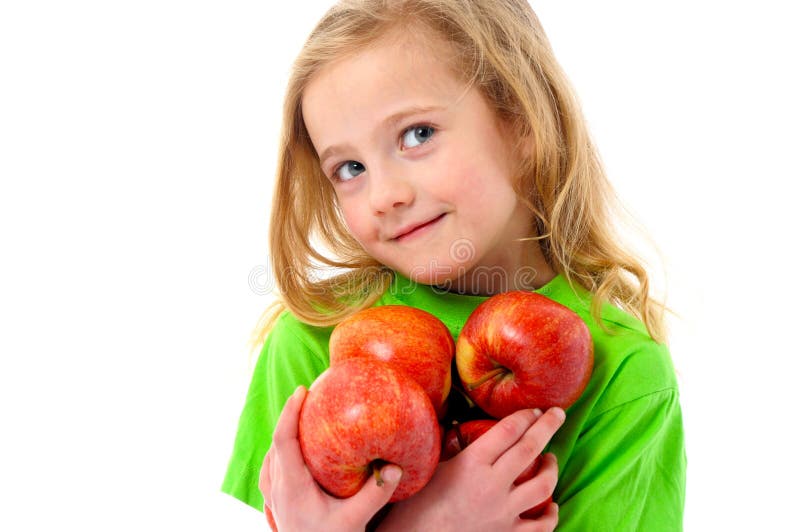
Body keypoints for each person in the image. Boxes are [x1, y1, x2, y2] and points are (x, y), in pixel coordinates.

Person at [221, 0, 686, 530]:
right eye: (350, 168)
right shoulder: (314, 338)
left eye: (417, 135)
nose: (384, 195)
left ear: (523, 122)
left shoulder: (622, 369)